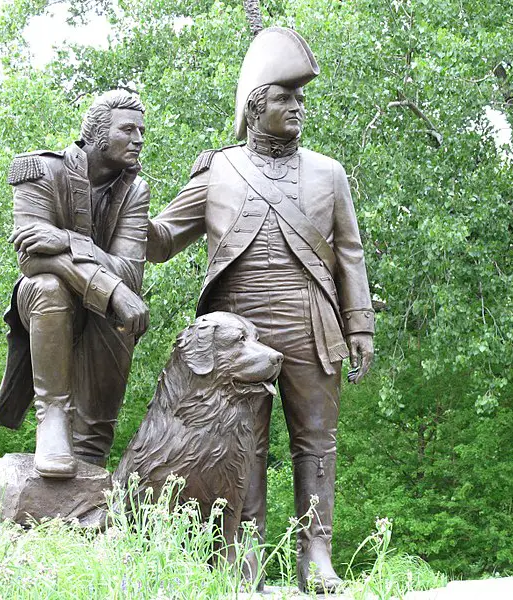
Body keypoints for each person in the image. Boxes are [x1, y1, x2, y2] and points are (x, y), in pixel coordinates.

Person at [147, 27, 375, 593]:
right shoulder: (218, 170)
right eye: (284, 98)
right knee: (240, 443)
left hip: (309, 318)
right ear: (255, 107)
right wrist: (121, 194)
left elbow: (350, 252)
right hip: (236, 329)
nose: (297, 108)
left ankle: (316, 557)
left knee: (317, 440)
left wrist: (360, 323)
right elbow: (159, 240)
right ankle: (241, 558)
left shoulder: (330, 173)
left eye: (300, 100)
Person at [0, 90, 151, 479]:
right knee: (48, 285)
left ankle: (90, 470)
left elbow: (129, 274)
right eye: (127, 129)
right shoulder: (40, 170)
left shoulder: (135, 190)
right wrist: (109, 287)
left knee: (114, 314)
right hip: (43, 303)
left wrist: (65, 241)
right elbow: (30, 256)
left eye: (142, 131)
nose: (139, 139)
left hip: (102, 312)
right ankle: (52, 419)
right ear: (97, 134)